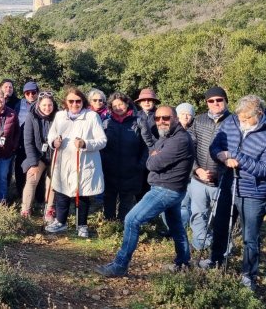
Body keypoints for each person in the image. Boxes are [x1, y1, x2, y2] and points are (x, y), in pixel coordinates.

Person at [96, 105, 194, 277]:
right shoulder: (168, 136)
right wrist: (154, 154)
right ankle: (183, 263)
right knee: (176, 226)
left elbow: (152, 164)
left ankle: (120, 265)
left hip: (166, 189)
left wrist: (154, 156)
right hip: (171, 188)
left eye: (166, 118)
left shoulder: (179, 140)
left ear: (176, 118)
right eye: (157, 119)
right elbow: (153, 152)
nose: (161, 121)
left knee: (132, 220)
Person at [201, 95, 266, 291]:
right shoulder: (231, 121)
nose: (242, 122)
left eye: (246, 119)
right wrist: (220, 155)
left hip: (254, 192)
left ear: (259, 115)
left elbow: (265, 169)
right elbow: (216, 145)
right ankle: (216, 260)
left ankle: (248, 274)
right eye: (240, 118)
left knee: (250, 237)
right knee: (220, 227)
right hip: (228, 184)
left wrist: (236, 157)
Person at [45, 87, 107, 237]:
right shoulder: (60, 116)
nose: (74, 104)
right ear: (66, 102)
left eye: (78, 101)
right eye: (71, 101)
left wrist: (85, 143)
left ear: (83, 101)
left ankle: (82, 225)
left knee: (83, 193)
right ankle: (60, 222)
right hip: (63, 161)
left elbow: (102, 141)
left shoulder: (91, 116)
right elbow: (51, 136)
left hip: (84, 161)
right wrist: (54, 142)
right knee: (61, 191)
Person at [184, 86, 230, 251]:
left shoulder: (234, 121)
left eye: (219, 100)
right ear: (207, 103)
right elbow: (189, 147)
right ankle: (200, 242)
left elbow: (239, 151)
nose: (215, 103)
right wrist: (197, 169)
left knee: (221, 218)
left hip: (223, 181)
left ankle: (222, 248)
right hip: (198, 178)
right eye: (211, 100)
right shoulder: (199, 120)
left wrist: (220, 172)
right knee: (197, 214)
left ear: (225, 100)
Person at [100, 92, 148, 221]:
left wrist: (140, 165)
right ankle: (109, 225)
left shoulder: (138, 122)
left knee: (127, 201)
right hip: (110, 170)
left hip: (131, 170)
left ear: (127, 104)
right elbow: (101, 146)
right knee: (109, 198)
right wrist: (104, 163)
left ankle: (123, 226)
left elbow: (147, 146)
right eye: (114, 105)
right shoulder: (106, 124)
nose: (118, 107)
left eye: (120, 104)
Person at [21, 90, 57, 218]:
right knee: (32, 178)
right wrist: (33, 163)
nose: (47, 108)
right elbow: (28, 141)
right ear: (39, 105)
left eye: (50, 105)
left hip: (54, 155)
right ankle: (26, 209)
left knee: (53, 182)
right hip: (37, 155)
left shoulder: (58, 117)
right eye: (44, 105)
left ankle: (49, 209)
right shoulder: (31, 117)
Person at [14, 81, 40, 202]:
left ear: (37, 93)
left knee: (37, 171)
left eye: (33, 92)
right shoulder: (19, 104)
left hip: (37, 144)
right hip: (21, 143)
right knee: (20, 170)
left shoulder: (43, 104)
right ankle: (21, 196)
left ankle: (38, 199)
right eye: (27, 93)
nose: (30, 95)